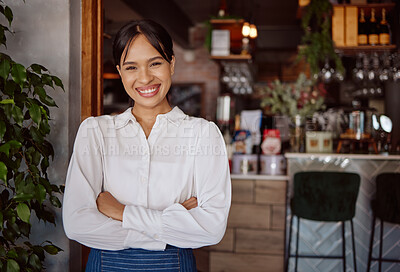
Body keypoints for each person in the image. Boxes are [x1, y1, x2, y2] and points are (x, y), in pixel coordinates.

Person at [62, 19, 231, 271]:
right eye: (131, 67)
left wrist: (121, 212)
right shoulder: (95, 132)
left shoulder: (203, 135)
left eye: (155, 63)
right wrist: (171, 220)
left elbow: (211, 229)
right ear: (119, 72)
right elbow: (77, 224)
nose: (145, 78)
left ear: (171, 64)